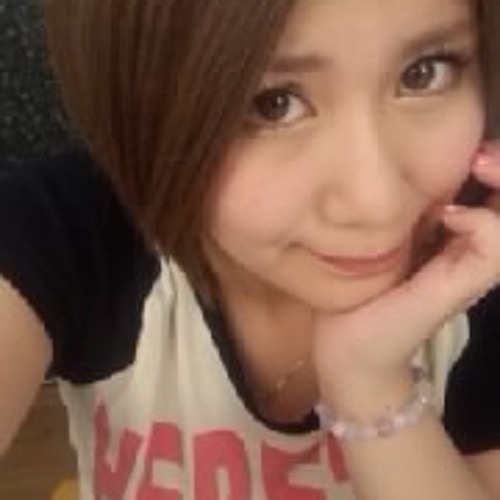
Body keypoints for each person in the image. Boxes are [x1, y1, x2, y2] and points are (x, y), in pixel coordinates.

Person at [1, 0, 500, 497]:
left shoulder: (482, 267)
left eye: (424, 73)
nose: (377, 203)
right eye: (273, 103)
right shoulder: (71, 231)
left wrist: (371, 385)